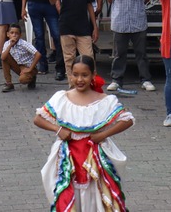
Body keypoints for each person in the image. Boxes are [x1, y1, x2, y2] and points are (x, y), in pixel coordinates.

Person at [34, 55, 134, 211]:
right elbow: (38, 119)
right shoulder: (61, 98)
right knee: (69, 192)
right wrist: (58, 129)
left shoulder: (104, 100)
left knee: (96, 196)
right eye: (75, 75)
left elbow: (127, 120)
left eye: (84, 75)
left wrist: (103, 135)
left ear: (93, 75)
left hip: (95, 158)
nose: (79, 79)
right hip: (68, 157)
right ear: (70, 74)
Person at [106, 0, 155, 92]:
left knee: (141, 53)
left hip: (138, 18)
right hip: (120, 19)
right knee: (119, 53)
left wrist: (136, 5)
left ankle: (145, 79)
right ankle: (116, 79)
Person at [45, 0, 99, 83]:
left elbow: (89, 5)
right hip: (66, 26)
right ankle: (73, 86)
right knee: (69, 59)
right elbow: (53, 1)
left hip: (83, 27)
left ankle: (92, 86)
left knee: (88, 58)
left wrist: (95, 26)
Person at [1, 23, 41, 92]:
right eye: (12, 33)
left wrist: (30, 68)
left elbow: (38, 54)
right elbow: (2, 57)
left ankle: (32, 77)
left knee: (23, 80)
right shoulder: (7, 44)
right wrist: (10, 46)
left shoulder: (24, 44)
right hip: (18, 66)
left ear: (20, 35)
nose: (14, 35)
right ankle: (9, 83)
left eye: (16, 33)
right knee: (5, 58)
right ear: (8, 34)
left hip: (28, 67)